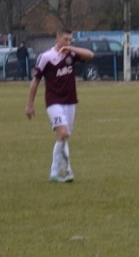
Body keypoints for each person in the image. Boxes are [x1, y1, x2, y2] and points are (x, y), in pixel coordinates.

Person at [25, 30, 94, 183]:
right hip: (53, 101)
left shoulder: (71, 54)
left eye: (70, 39)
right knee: (62, 133)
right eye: (65, 39)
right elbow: (35, 81)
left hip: (70, 101)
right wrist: (30, 104)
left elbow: (90, 55)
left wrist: (72, 49)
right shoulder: (46, 57)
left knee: (64, 137)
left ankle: (66, 171)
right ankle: (54, 171)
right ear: (57, 38)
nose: (68, 42)